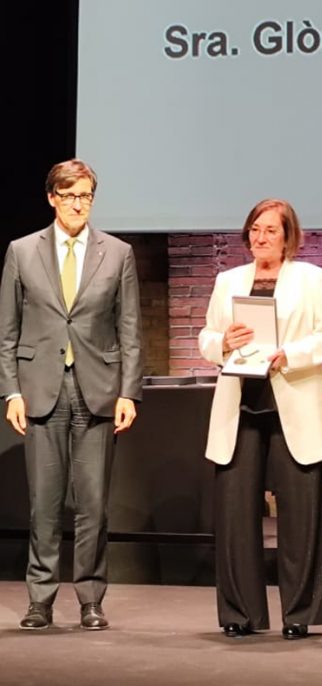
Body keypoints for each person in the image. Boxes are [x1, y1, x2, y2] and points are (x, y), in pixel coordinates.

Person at [0, 159, 142, 631]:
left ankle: (91, 599)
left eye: (86, 196)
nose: (79, 205)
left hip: (97, 389)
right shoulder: (22, 251)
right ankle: (40, 599)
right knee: (44, 504)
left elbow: (130, 329)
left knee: (93, 505)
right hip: (40, 388)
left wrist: (129, 392)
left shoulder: (117, 253)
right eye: (70, 195)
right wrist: (11, 391)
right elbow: (7, 331)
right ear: (52, 198)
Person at [198, 198, 322, 640]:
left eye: (271, 230)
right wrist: (223, 342)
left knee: (301, 513)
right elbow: (207, 336)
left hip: (292, 399)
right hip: (241, 405)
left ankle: (300, 613)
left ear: (287, 237)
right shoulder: (228, 280)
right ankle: (240, 613)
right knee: (236, 515)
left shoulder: (312, 279)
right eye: (255, 230)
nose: (261, 238)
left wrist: (289, 354)